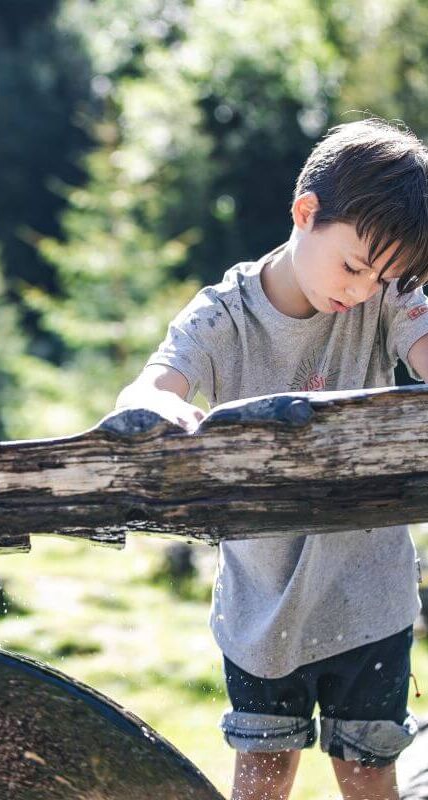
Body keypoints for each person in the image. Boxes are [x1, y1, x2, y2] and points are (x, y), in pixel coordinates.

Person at [115, 117, 428, 800]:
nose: (362, 290)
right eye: (353, 266)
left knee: (371, 774)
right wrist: (165, 407)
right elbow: (156, 382)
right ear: (305, 212)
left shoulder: (390, 300)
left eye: (385, 276)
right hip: (261, 606)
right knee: (261, 780)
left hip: (370, 593)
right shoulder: (222, 317)